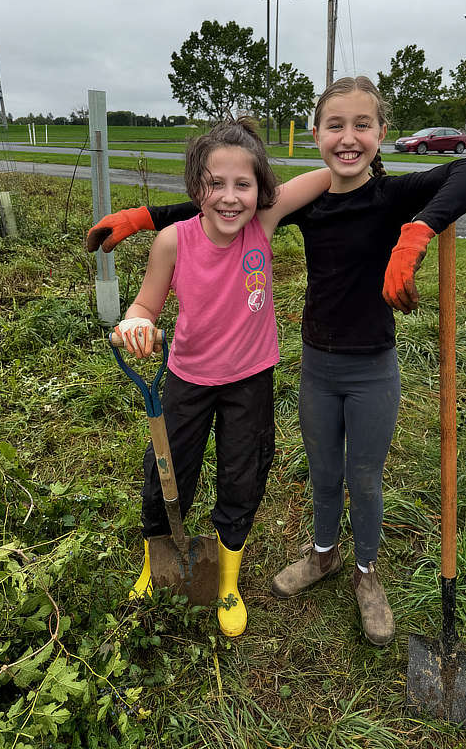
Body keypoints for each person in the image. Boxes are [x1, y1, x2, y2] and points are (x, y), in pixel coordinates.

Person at [90, 78, 466, 645]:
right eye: (335, 125)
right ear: (316, 134)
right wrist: (148, 218)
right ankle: (302, 556)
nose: (349, 137)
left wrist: (418, 231)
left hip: (345, 366)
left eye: (363, 125)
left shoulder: (382, 195)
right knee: (290, 473)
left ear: (384, 133)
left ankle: (353, 573)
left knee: (337, 474)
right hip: (299, 364)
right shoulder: (289, 205)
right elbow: (226, 195)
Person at [112, 118, 331, 637]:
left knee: (243, 473)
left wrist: (356, 152)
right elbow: (145, 303)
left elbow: (324, 175)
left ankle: (227, 581)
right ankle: (155, 562)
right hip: (187, 378)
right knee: (166, 472)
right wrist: (137, 323)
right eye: (216, 184)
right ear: (195, 189)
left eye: (244, 184)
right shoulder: (172, 241)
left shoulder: (263, 223)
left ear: (261, 190)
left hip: (250, 380)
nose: (230, 198)